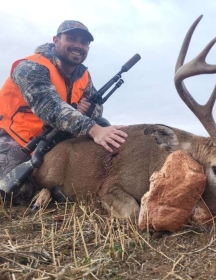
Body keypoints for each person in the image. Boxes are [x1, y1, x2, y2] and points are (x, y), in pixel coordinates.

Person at [0, 20, 128, 201]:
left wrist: (90, 110)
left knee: (102, 124)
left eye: (84, 42)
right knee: (16, 194)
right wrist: (93, 129)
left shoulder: (83, 75)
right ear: (56, 40)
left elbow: (97, 106)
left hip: (59, 137)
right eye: (71, 39)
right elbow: (49, 107)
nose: (78, 46)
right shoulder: (31, 67)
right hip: (17, 139)